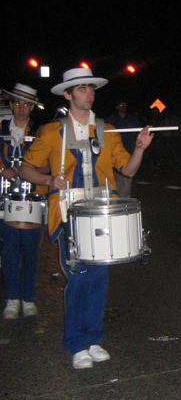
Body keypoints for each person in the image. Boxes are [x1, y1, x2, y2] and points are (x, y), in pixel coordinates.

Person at [19, 67, 153, 369]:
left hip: (101, 212)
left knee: (99, 279)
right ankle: (76, 343)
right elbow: (25, 168)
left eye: (91, 88)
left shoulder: (106, 131)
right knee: (79, 278)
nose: (89, 93)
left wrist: (141, 148)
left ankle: (93, 339)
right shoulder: (52, 133)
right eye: (81, 89)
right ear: (68, 95)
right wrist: (49, 179)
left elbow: (127, 170)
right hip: (67, 212)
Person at [1, 84, 46, 319]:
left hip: (32, 198)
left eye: (26, 104)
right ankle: (12, 299)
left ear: (32, 107)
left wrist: (23, 169)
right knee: (9, 251)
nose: (21, 108)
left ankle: (28, 299)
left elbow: (48, 162)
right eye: (17, 103)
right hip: (4, 199)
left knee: (30, 251)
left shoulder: (41, 132)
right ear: (10, 104)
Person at [107, 99, 142, 197]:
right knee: (114, 183)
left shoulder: (132, 120)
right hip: (113, 155)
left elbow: (138, 136)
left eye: (124, 104)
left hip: (127, 153)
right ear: (117, 107)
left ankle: (125, 204)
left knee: (126, 183)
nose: (123, 106)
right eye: (120, 104)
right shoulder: (111, 121)